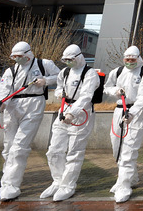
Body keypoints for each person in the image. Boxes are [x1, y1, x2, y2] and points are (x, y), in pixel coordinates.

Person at [0, 41, 59, 200]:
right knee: (8, 147)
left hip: (33, 105)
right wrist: (0, 103)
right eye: (15, 57)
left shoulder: (44, 64)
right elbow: (3, 89)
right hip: (12, 106)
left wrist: (46, 81)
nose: (18, 59)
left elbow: (60, 76)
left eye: (20, 56)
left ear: (29, 53)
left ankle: (12, 186)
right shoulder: (11, 70)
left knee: (19, 147)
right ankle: (5, 183)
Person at [40, 44, 100, 201]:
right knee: (54, 150)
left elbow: (86, 96)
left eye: (71, 59)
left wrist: (72, 114)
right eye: (65, 60)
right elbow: (59, 87)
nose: (68, 62)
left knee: (74, 151)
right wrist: (61, 93)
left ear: (79, 57)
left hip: (81, 114)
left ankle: (68, 185)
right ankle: (58, 181)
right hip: (63, 110)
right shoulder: (65, 71)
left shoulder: (90, 73)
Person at [104, 46, 143, 203]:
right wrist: (116, 91)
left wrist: (132, 113)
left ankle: (124, 185)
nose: (130, 62)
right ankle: (129, 178)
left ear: (138, 58)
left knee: (129, 149)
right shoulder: (118, 71)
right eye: (127, 59)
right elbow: (107, 87)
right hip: (119, 111)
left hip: (136, 112)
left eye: (133, 60)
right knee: (117, 147)